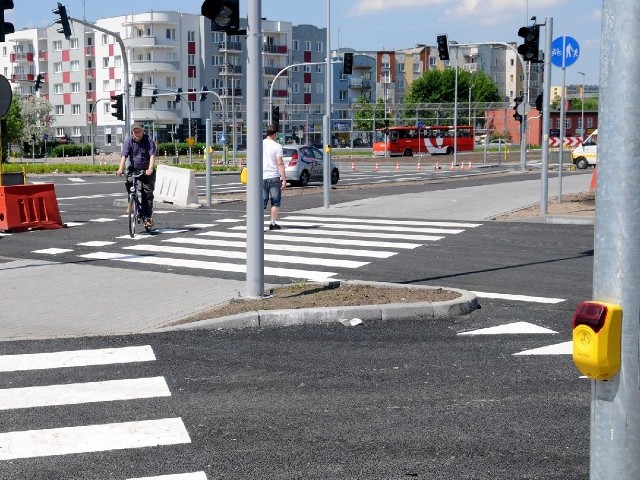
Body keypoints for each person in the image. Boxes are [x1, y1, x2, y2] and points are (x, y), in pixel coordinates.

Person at [116, 122, 157, 229]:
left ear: (143, 131)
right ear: (132, 132)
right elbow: (124, 156)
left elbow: (152, 155)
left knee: (147, 193)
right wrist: (120, 168)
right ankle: (132, 201)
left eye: (139, 131)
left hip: (146, 170)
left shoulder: (148, 140)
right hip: (134, 169)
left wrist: (150, 169)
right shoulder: (129, 140)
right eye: (135, 132)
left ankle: (148, 218)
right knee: (129, 182)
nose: (137, 134)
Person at [262, 124, 286, 230]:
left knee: (261, 201)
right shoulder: (277, 146)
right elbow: (280, 163)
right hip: (274, 176)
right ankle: (272, 223)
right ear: (276, 134)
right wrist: (284, 179)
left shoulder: (259, 144)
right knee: (275, 201)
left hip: (261, 177)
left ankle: (257, 223)